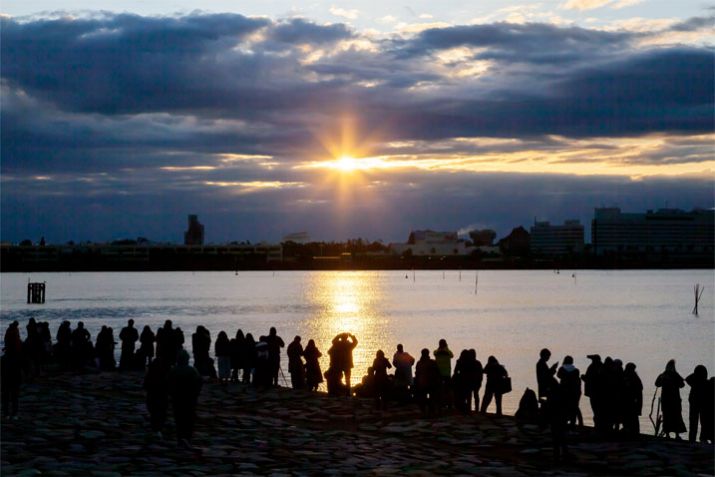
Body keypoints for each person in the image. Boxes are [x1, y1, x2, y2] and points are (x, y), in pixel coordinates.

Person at [168, 350, 202, 449]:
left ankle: (180, 438)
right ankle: (187, 438)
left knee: (178, 419)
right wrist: (196, 394)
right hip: (189, 399)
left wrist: (171, 393)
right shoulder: (192, 370)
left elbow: (168, 383)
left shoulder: (173, 370)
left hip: (177, 398)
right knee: (189, 419)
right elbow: (199, 383)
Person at [655, 359, 687, 439]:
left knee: (667, 417)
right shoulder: (675, 375)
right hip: (675, 400)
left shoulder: (663, 375)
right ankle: (677, 435)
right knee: (676, 417)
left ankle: (667, 434)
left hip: (666, 400)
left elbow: (657, 384)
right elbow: (682, 385)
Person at [144, 356, 169, 438]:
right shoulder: (164, 375)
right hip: (162, 397)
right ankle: (159, 429)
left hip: (151, 397)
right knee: (161, 413)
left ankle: (155, 428)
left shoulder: (150, 375)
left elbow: (145, 386)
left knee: (154, 413)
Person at [414, 348, 441, 417]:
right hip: (431, 383)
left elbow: (417, 373)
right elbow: (438, 372)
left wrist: (417, 382)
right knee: (432, 398)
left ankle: (425, 411)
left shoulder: (419, 363)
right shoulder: (432, 362)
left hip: (423, 382)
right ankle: (431, 411)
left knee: (423, 398)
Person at [557, 356, 582, 428]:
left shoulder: (561, 369)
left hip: (564, 392)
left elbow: (559, 376)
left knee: (564, 409)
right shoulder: (576, 370)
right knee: (573, 410)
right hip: (573, 393)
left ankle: (564, 425)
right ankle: (572, 425)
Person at [685, 365, 708, 443]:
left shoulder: (694, 381)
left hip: (695, 402)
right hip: (702, 403)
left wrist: (694, 374)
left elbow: (687, 378)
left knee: (694, 422)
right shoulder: (705, 382)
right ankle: (702, 438)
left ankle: (692, 439)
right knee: (703, 422)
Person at [582, 354, 604, 432]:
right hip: (598, 393)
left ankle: (598, 427)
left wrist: (584, 378)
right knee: (599, 410)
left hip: (594, 393)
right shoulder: (601, 366)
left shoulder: (593, 367)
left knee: (596, 410)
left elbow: (591, 380)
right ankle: (599, 426)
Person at [622, 362, 643, 437]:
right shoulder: (633, 376)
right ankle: (631, 430)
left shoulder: (632, 377)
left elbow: (638, 389)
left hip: (631, 400)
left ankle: (632, 431)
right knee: (630, 417)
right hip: (629, 400)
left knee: (631, 417)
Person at [1, 348, 22, 419]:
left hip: (5, 380)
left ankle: (6, 414)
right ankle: (14, 414)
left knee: (5, 398)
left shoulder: (2, 359)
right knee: (14, 398)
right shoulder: (17, 359)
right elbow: (20, 371)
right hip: (15, 380)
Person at [434, 339, 454, 408]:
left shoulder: (437, 352)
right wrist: (446, 348)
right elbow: (452, 355)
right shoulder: (447, 352)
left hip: (439, 373)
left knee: (440, 389)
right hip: (446, 373)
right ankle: (449, 404)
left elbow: (434, 353)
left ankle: (441, 403)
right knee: (448, 389)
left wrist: (440, 349)